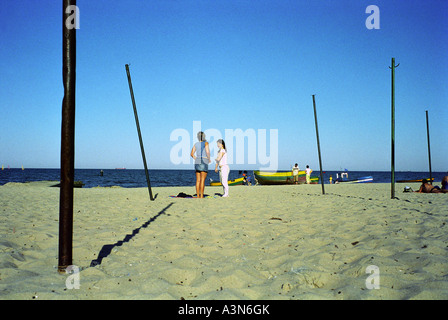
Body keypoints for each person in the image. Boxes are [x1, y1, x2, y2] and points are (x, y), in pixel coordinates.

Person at [190, 131, 211, 198]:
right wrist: (209, 159)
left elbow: (191, 154)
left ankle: (198, 195)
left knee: (198, 180)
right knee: (202, 180)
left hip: (197, 161)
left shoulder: (196, 144)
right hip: (204, 160)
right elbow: (207, 152)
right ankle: (201, 195)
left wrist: (196, 158)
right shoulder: (206, 143)